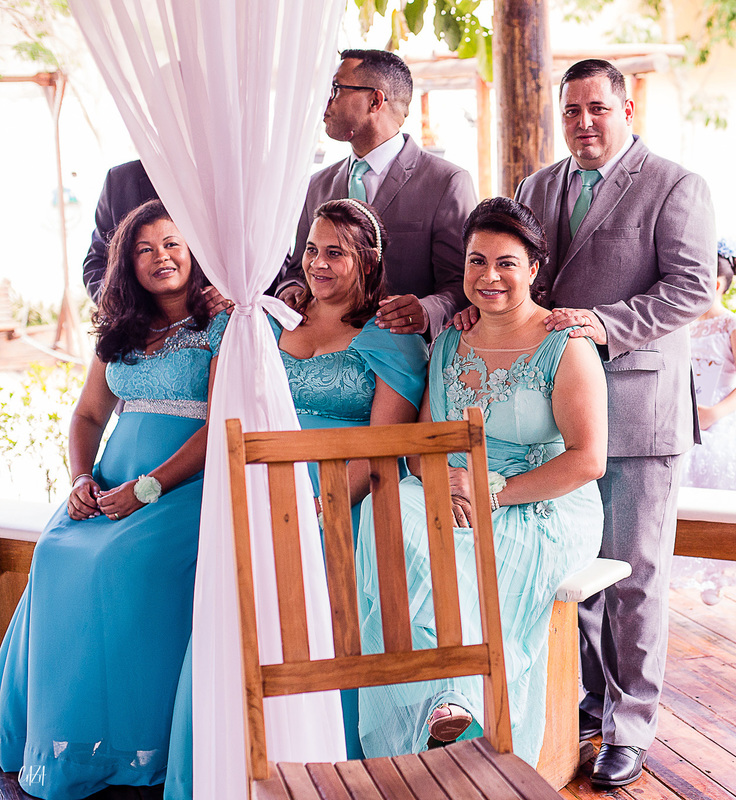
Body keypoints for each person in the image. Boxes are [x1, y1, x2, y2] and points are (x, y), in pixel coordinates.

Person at [162, 198, 427, 798]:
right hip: (258, 487)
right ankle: (231, 759)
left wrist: (322, 508)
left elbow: (383, 448)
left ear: (369, 261)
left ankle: (329, 767)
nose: (319, 264)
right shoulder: (270, 322)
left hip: (340, 499)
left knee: (314, 621)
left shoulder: (390, 340)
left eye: (336, 252)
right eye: (312, 249)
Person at [510, 58, 715, 787]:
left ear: (628, 109)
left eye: (598, 108)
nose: (584, 123)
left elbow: (691, 287)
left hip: (639, 411)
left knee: (635, 577)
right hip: (555, 418)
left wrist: (603, 324)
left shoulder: (674, 184)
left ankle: (632, 725)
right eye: (571, 111)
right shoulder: (537, 187)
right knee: (575, 573)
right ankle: (591, 704)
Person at [354, 197, 607, 766]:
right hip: (457, 489)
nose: (488, 277)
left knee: (466, 545)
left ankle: (465, 706)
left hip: (543, 500)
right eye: (476, 261)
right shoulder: (447, 343)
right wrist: (446, 482)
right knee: (386, 510)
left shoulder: (565, 345)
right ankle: (442, 700)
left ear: (534, 269)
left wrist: (494, 492)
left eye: (506, 263)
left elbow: (589, 459)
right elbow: (423, 445)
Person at [0, 200, 225, 799]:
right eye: (145, 249)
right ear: (128, 262)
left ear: (195, 248)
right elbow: (88, 414)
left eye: (174, 244)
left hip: (185, 486)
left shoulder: (223, 324)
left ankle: (130, 745)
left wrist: (149, 488)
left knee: (119, 564)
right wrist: (80, 480)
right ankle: (58, 739)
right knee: (54, 553)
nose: (162, 258)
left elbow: (225, 422)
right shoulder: (120, 329)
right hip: (111, 481)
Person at [276, 49, 477, 338]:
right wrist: (291, 290)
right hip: (323, 352)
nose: (325, 101)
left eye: (335, 89)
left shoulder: (447, 182)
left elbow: (463, 282)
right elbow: (297, 269)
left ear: (375, 100)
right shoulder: (316, 185)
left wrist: (426, 310)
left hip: (407, 357)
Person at [672, 238, 736, 605]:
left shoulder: (732, 324)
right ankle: (681, 561)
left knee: (716, 475)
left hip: (719, 415)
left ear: (717, 285)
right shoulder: (683, 325)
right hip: (683, 414)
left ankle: (715, 569)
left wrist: (713, 415)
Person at [82, 159, 159, 302]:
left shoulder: (211, 171)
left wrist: (215, 288)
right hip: (139, 317)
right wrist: (116, 302)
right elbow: (97, 262)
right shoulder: (120, 180)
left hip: (208, 313)